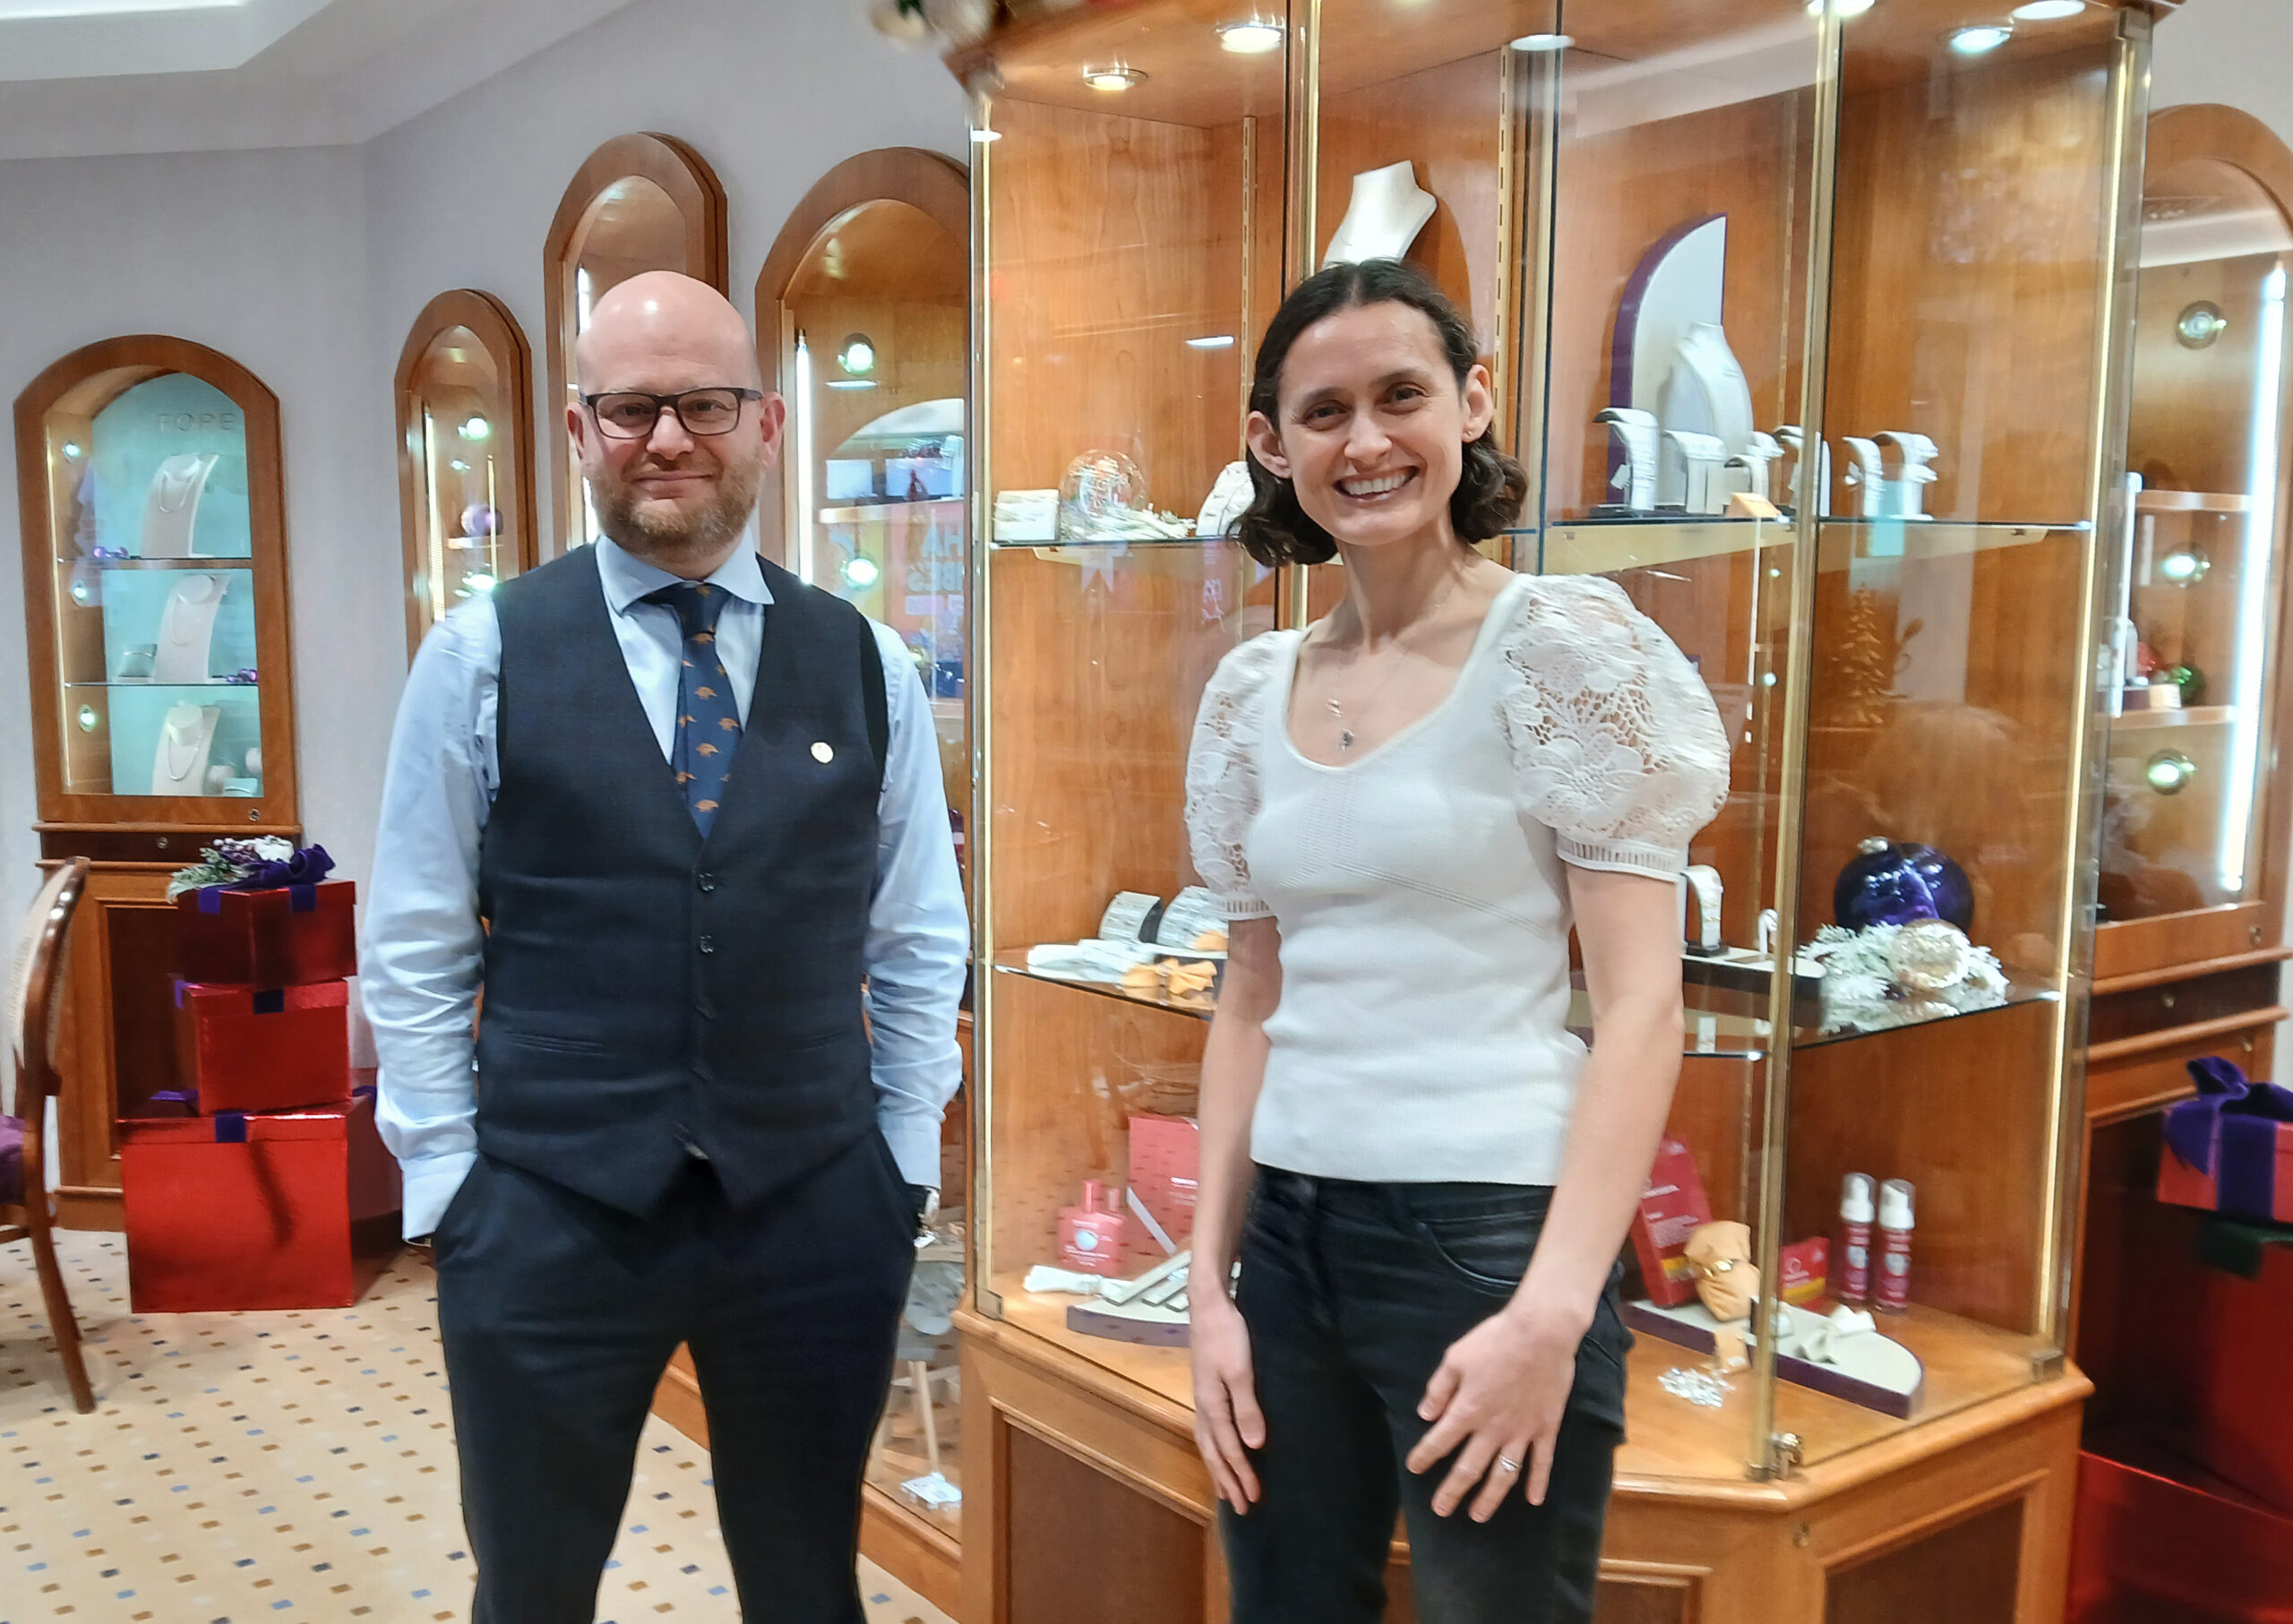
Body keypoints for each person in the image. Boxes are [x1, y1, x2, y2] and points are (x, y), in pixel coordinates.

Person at [362, 271, 968, 1624]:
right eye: (631, 408)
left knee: (810, 1580)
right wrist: (451, 1179)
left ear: (765, 421)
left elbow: (919, 928)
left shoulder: (866, 659)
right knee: (532, 1582)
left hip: (815, 1206)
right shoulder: (481, 653)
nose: (669, 439)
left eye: (701, 403)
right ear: (580, 433)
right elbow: (410, 937)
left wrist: (902, 1159)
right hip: (548, 1206)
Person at [1182, 259, 1730, 1623]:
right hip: (1289, 1238)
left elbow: (1642, 1008)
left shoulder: (1565, 653)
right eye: (1323, 411)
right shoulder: (1254, 693)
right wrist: (1207, 1289)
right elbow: (1250, 996)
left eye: (1401, 395)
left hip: (1488, 1236)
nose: (1365, 442)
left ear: (1473, 402)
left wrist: (1552, 1312)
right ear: (1271, 443)